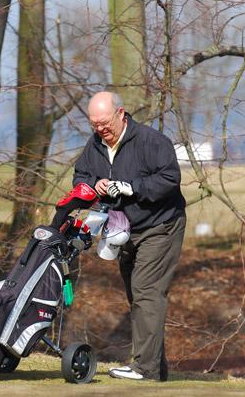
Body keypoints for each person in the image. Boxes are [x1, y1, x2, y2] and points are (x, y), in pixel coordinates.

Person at [73, 91, 186, 381]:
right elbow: (80, 177)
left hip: (160, 226)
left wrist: (131, 187)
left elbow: (170, 178)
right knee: (137, 296)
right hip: (122, 230)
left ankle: (144, 369)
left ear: (121, 114)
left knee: (147, 291)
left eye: (105, 122)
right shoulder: (95, 146)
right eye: (94, 124)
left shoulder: (151, 141)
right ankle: (154, 368)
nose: (101, 129)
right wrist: (94, 185)